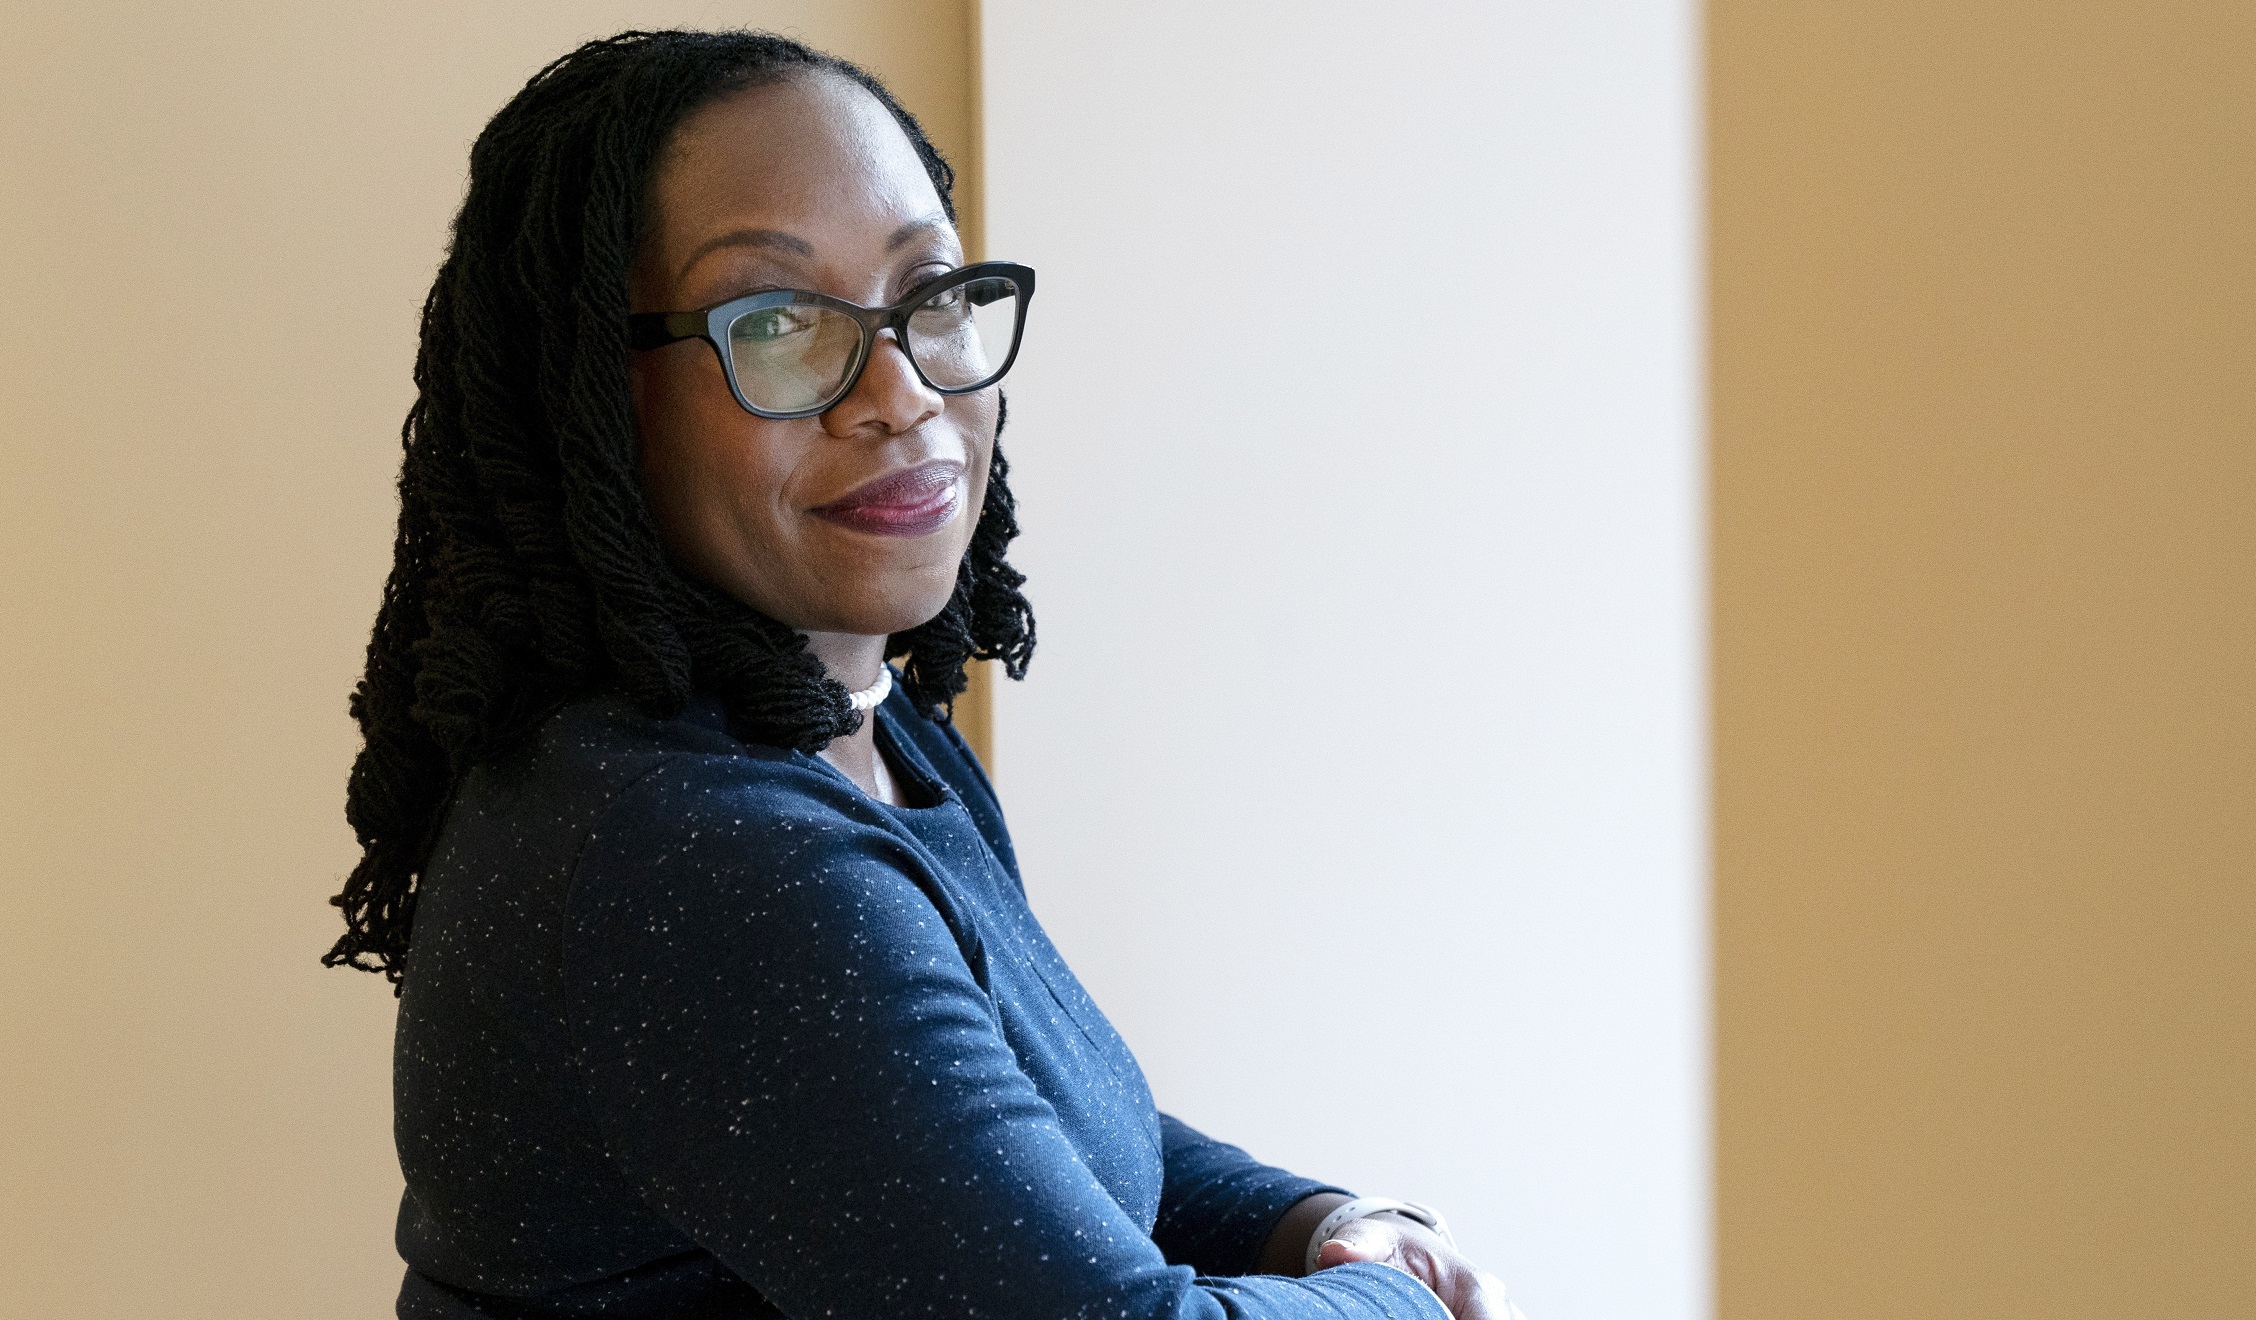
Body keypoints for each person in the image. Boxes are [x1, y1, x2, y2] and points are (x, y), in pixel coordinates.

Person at [326, 29, 1522, 1320]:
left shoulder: (859, 733)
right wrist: (1413, 1306)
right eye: (778, 323)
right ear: (594, 402)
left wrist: (1324, 1227)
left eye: (929, 296)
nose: (898, 392)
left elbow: (1026, 1123)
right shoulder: (706, 855)